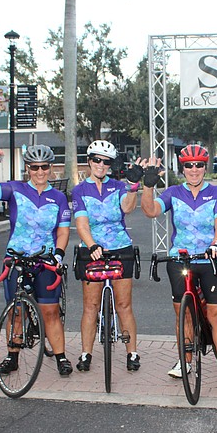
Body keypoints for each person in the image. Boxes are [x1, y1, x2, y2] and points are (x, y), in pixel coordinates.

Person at [139, 144, 217, 387]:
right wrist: (148, 185)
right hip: (181, 259)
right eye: (189, 165)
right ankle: (185, 362)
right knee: (183, 314)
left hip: (211, 258)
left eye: (199, 165)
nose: (194, 170)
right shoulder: (173, 192)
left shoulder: (216, 192)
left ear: (205, 167)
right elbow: (151, 211)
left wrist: (216, 243)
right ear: (182, 168)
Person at [0, 145, 73, 375]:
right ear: (27, 168)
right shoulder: (16, 189)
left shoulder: (58, 197)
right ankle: (13, 356)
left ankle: (61, 356)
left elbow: (63, 231)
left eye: (44, 167)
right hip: (17, 258)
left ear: (51, 168)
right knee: (15, 310)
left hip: (46, 260)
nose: (39, 171)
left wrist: (58, 254)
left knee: (50, 311)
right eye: (34, 167)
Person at [72, 140, 142, 373]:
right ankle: (86, 353)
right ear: (89, 161)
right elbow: (81, 223)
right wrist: (91, 245)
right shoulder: (80, 190)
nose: (101, 165)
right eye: (97, 160)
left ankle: (132, 352)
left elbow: (128, 208)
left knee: (124, 305)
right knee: (91, 306)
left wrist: (133, 186)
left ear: (111, 165)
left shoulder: (118, 186)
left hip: (121, 248)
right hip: (92, 250)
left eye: (106, 162)